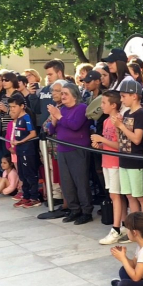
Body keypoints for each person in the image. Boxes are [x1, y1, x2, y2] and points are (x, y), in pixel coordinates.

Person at [46, 82, 93, 224]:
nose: (62, 96)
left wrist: (59, 116)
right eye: (62, 93)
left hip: (78, 150)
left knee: (81, 182)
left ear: (74, 95)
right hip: (62, 149)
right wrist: (54, 120)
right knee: (67, 182)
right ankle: (74, 209)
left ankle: (86, 211)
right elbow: (51, 130)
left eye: (65, 93)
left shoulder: (81, 108)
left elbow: (75, 125)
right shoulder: (62, 110)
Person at [93, 90, 129, 244]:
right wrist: (99, 144)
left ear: (114, 105)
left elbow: (120, 145)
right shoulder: (107, 121)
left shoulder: (117, 120)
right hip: (106, 161)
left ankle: (116, 228)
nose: (101, 106)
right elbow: (108, 143)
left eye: (104, 103)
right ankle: (123, 226)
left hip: (115, 163)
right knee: (114, 195)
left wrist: (102, 140)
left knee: (116, 195)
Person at [114, 80, 143, 214]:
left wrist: (121, 126)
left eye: (124, 96)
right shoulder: (127, 113)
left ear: (134, 96)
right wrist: (118, 127)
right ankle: (135, 225)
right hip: (124, 159)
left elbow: (137, 139)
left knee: (140, 196)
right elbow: (121, 139)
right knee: (129, 195)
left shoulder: (140, 114)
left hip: (136, 161)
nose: (121, 99)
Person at [9, 95, 40, 208]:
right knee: (22, 174)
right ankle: (26, 196)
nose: (12, 109)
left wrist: (20, 141)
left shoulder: (26, 117)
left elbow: (33, 133)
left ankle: (34, 197)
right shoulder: (18, 119)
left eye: (14, 106)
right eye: (10, 107)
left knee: (30, 174)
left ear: (22, 106)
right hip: (20, 151)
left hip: (28, 150)